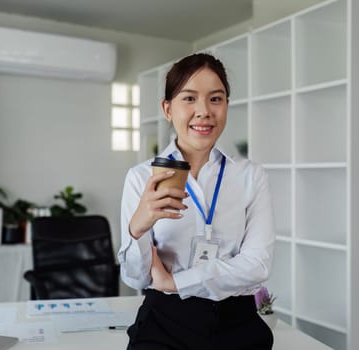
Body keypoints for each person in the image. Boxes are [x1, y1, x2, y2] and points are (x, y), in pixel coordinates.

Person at [118, 53, 276, 350]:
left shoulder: (250, 176)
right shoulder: (141, 177)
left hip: (237, 320)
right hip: (165, 319)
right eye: (189, 99)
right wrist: (137, 229)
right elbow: (135, 278)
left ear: (226, 105)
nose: (203, 111)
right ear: (167, 109)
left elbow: (257, 265)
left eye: (215, 99)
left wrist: (175, 283)